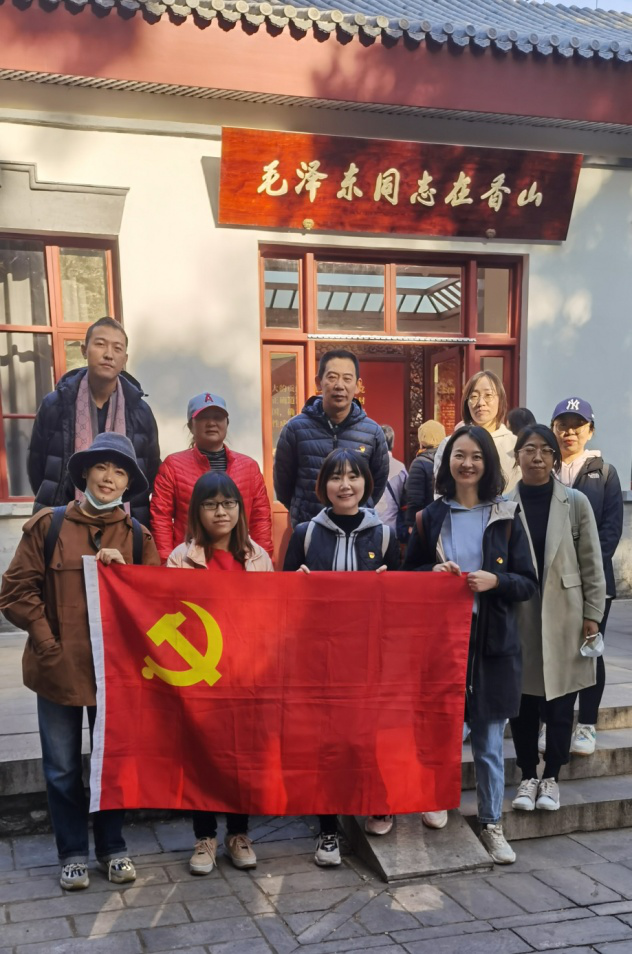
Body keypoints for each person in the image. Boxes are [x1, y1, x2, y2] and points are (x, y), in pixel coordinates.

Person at [0, 433, 160, 891]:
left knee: (113, 763)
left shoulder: (138, 537)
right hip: (57, 669)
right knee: (62, 767)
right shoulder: (47, 526)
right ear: (85, 472)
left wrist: (126, 574)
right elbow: (15, 593)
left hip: (116, 674)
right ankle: (71, 853)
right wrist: (47, 644)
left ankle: (112, 848)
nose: (109, 478)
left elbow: (157, 605)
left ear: (128, 483)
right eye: (102, 467)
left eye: (120, 471)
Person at [403, 425, 537, 864]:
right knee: (441, 729)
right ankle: (437, 798)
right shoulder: (430, 517)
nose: (468, 463)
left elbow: (527, 582)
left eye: (476, 456)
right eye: (460, 455)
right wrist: (431, 575)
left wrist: (497, 581)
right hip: (443, 642)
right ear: (447, 463)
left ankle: (492, 824)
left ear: (488, 463)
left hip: (493, 641)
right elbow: (407, 575)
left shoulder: (506, 514)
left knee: (489, 741)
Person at [283, 449, 401, 865]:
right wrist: (295, 584)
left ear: (367, 483)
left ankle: (378, 800)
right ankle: (328, 830)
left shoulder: (383, 535)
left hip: (369, 656)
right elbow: (282, 598)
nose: (345, 485)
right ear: (323, 486)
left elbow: (404, 598)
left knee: (370, 733)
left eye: (353, 476)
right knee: (327, 742)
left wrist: (390, 586)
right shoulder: (305, 534)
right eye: (336, 477)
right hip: (320, 658)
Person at [166, 471, 273, 874]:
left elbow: (271, 614)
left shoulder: (258, 557)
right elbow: (169, 612)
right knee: (201, 754)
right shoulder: (180, 558)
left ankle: (239, 834)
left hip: (246, 671)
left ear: (240, 509)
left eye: (228, 503)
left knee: (241, 754)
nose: (221, 512)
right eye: (210, 504)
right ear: (197, 511)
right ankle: (205, 836)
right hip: (201, 671)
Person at [508, 424, 606, 813]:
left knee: (562, 703)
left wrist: (593, 614)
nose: (537, 457)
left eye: (545, 450)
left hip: (567, 616)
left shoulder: (575, 502)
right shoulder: (504, 505)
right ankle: (527, 774)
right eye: (528, 449)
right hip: (521, 617)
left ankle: (552, 777)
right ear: (517, 456)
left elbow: (591, 562)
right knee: (524, 702)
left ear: (554, 458)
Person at [27, 316, 160, 528]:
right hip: (61, 521)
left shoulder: (140, 412)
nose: (108, 354)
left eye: (117, 348)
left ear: (125, 358)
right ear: (84, 350)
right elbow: (37, 466)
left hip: (124, 524)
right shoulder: (56, 405)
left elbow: (150, 471)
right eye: (100, 344)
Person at [548, 398, 623, 755]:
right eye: (562, 425)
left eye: (577, 426)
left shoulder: (604, 473)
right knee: (553, 651)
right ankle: (553, 722)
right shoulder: (544, 469)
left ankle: (587, 725)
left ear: (590, 431)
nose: (569, 432)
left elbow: (611, 529)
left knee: (590, 650)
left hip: (593, 582)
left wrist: (584, 572)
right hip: (552, 582)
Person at [151, 392, 273, 563]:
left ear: (227, 423)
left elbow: (260, 519)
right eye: (203, 418)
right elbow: (160, 517)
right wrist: (166, 561)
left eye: (218, 417)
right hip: (188, 561)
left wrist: (262, 561)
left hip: (238, 561)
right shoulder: (173, 465)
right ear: (190, 426)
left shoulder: (249, 467)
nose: (211, 423)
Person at [274, 350, 389, 527]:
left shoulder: (372, 433)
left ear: (357, 385)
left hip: (357, 530)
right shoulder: (295, 429)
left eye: (347, 378)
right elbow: (283, 486)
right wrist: (303, 513)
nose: (339, 385)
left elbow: (376, 485)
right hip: (310, 528)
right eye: (332, 377)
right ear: (318, 382)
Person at [434, 371, 519, 491]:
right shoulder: (450, 444)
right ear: (466, 402)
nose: (481, 403)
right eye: (474, 396)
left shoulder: (515, 445)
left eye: (488, 395)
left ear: (500, 399)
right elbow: (442, 491)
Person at [404, 420, 446, 532]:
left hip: (427, 522)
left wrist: (411, 524)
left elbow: (415, 499)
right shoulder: (449, 459)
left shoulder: (419, 463)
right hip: (446, 520)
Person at [374, 424, 408, 537]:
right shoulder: (400, 468)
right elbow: (407, 496)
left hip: (370, 525)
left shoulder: (367, 466)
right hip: (392, 527)